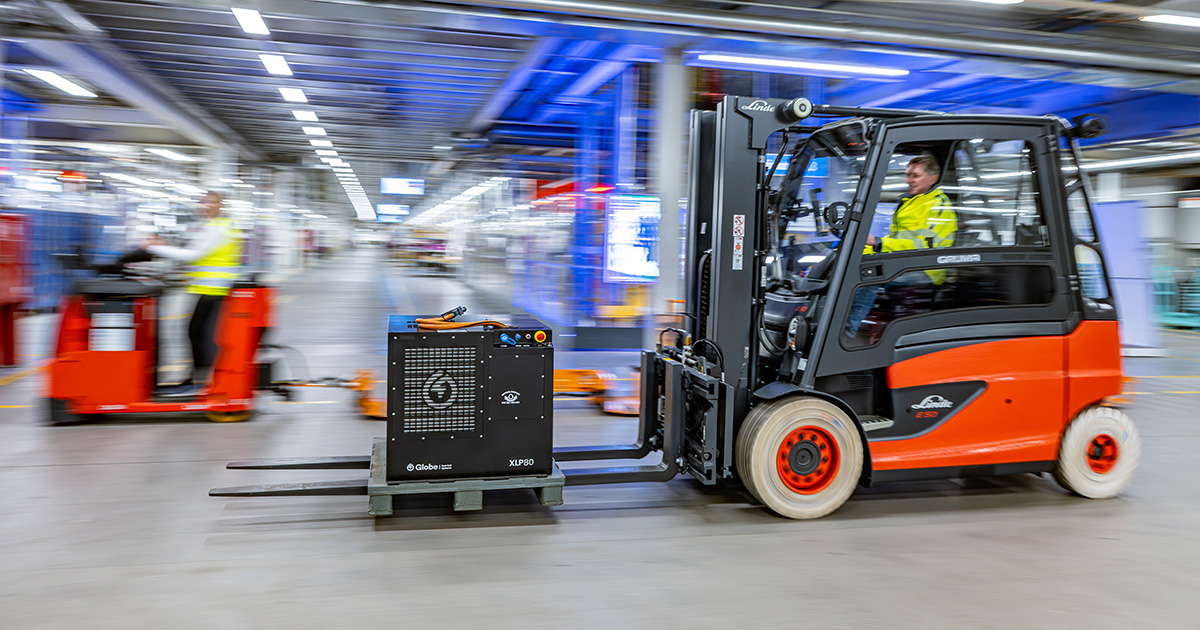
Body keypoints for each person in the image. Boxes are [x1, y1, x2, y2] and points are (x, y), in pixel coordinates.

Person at [845, 155, 956, 338]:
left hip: (926, 268)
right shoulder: (910, 202)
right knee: (854, 266)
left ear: (932, 178)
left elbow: (924, 246)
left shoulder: (938, 205)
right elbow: (894, 241)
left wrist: (879, 243)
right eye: (908, 175)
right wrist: (857, 251)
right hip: (904, 261)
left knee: (870, 276)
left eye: (915, 175)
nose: (909, 180)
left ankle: (848, 332)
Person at [146, 191, 242, 394]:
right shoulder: (217, 226)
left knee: (197, 333)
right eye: (203, 201)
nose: (206, 205)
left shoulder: (216, 229)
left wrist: (156, 247)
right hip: (211, 289)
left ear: (221, 205)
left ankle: (201, 380)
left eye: (212, 202)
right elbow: (198, 256)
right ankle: (198, 378)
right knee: (197, 332)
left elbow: (193, 254)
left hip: (213, 289)